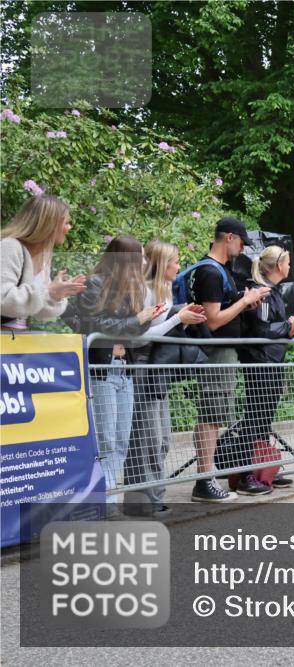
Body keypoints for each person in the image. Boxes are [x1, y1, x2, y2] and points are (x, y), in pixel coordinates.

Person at [77, 236, 166, 511]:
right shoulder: (95, 283)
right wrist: (136, 320)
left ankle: (111, 498)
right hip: (101, 368)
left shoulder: (130, 288)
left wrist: (147, 317)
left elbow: (133, 331)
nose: (143, 261)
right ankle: (105, 504)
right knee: (106, 439)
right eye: (139, 256)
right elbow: (95, 323)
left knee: (121, 440)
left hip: (124, 368)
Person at [123, 240, 207, 518]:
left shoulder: (166, 290)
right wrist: (177, 319)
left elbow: (162, 327)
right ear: (162, 264)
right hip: (143, 366)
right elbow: (140, 335)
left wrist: (182, 318)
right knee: (147, 436)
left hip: (159, 368)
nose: (179, 266)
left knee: (161, 438)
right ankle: (142, 501)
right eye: (175, 261)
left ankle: (155, 496)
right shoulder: (144, 291)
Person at [189, 217, 271, 502]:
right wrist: (244, 302)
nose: (242, 248)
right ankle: (204, 480)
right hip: (216, 351)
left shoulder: (219, 271)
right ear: (228, 238)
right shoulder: (210, 273)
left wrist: (246, 302)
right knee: (211, 415)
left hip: (224, 352)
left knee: (215, 415)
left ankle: (206, 477)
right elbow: (212, 321)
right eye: (240, 242)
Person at [233, 245, 294, 491]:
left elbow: (275, 329)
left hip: (272, 361)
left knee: (264, 419)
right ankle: (244, 475)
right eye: (287, 262)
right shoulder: (261, 291)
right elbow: (261, 330)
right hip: (260, 362)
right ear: (276, 266)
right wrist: (287, 326)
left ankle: (264, 468)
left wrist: (290, 329)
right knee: (255, 417)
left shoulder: (274, 292)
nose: (290, 267)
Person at [1, 194, 86, 330]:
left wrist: (56, 295)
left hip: (16, 338)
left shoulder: (43, 256)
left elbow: (39, 312)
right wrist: (48, 291)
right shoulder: (10, 246)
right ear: (49, 224)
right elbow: (3, 300)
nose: (69, 228)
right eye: (66, 223)